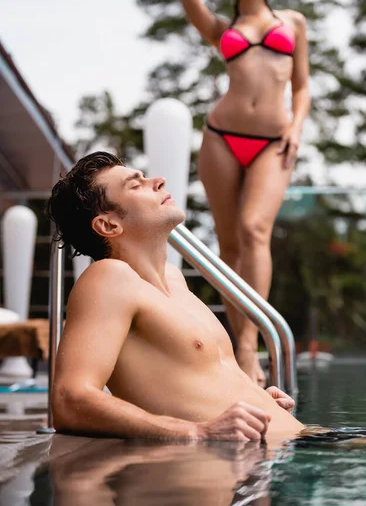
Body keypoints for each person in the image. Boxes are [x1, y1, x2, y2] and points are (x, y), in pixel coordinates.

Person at [46, 151, 304, 449]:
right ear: (109, 225)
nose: (158, 181)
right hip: (231, 465)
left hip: (289, 446)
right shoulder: (108, 278)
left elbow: (194, 384)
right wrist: (196, 432)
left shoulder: (174, 280)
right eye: (136, 185)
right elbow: (70, 400)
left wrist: (257, 399)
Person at [179, 0, 310, 385]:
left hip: (274, 141)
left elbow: (303, 86)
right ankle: (243, 350)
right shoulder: (223, 27)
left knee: (256, 230)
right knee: (228, 245)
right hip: (221, 138)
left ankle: (251, 343)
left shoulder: (292, 22)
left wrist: (296, 126)